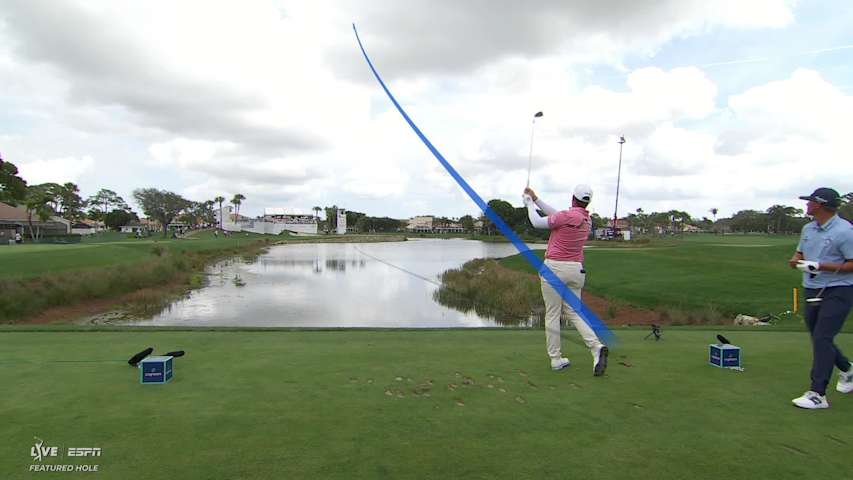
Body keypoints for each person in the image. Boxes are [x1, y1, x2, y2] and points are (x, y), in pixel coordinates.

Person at [523, 184, 608, 376]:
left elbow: (537, 222)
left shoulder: (565, 217)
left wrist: (528, 203)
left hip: (554, 268)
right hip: (576, 271)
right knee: (573, 312)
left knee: (552, 314)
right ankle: (596, 347)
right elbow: (557, 215)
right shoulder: (587, 220)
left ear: (572, 198)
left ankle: (555, 359)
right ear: (587, 202)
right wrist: (536, 199)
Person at [788, 187, 853, 409]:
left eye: (810, 202)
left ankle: (817, 394)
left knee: (823, 337)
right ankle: (847, 369)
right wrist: (796, 259)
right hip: (812, 288)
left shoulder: (845, 231)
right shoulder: (808, 228)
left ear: (821, 205)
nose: (807, 205)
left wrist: (821, 266)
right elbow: (801, 252)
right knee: (818, 336)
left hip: (839, 289)